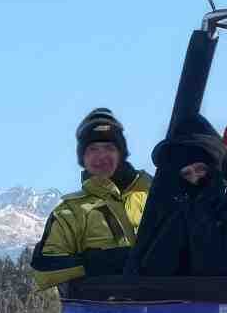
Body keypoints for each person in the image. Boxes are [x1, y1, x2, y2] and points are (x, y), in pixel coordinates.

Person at [31, 108, 153, 292]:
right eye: (92, 149)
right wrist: (99, 262)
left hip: (161, 312)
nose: (101, 156)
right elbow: (43, 270)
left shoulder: (153, 194)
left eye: (109, 148)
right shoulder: (69, 212)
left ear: (121, 153)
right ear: (83, 158)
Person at [132, 116, 227, 277]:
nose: (195, 178)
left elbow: (216, 268)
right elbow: (153, 269)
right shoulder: (175, 213)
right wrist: (190, 210)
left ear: (217, 168)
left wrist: (202, 207)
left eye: (200, 169)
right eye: (186, 173)